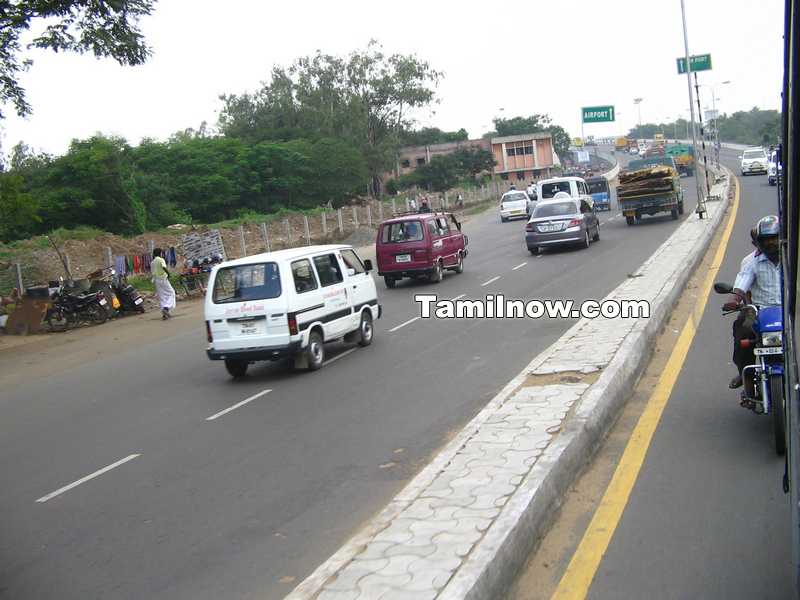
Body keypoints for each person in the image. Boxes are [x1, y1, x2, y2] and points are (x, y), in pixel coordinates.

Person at [724, 216, 781, 392]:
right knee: (742, 330)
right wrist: (734, 299)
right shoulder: (751, 261)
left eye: (774, 238)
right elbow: (742, 281)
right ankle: (745, 374)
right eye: (766, 240)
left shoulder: (791, 255)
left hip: (789, 309)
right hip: (757, 311)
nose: (771, 243)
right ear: (758, 242)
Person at [152, 247, 177, 320]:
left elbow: (152, 272)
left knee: (162, 296)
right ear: (160, 253)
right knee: (171, 292)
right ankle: (166, 308)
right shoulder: (161, 259)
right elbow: (164, 267)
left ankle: (164, 313)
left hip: (156, 280)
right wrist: (168, 274)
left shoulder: (152, 262)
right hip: (163, 279)